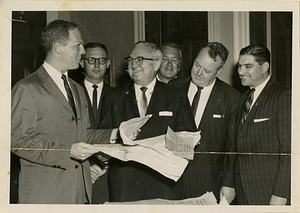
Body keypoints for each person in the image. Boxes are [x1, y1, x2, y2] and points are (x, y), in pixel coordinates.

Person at [11, 20, 115, 204]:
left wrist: (117, 133)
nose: (83, 51)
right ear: (58, 47)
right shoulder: (27, 88)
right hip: (46, 195)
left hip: (79, 192)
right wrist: (68, 151)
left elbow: (83, 134)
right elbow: (18, 141)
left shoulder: (76, 89)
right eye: (78, 45)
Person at [99, 41, 196, 202]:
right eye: (130, 60)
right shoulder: (113, 96)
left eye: (139, 59)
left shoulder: (175, 95)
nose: (133, 65)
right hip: (125, 183)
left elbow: (189, 139)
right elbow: (102, 136)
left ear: (156, 63)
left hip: (164, 183)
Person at [169, 42, 240, 203]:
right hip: (172, 177)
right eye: (197, 65)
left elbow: (232, 145)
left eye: (207, 71)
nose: (198, 73)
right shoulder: (173, 87)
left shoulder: (231, 98)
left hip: (209, 179)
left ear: (219, 72)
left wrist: (229, 184)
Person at [234, 44, 291, 205]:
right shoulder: (242, 99)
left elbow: (289, 152)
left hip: (269, 192)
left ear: (265, 67)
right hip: (243, 192)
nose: (240, 72)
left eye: (248, 66)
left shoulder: (283, 96)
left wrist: (281, 194)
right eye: (239, 66)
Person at [79, 42, 111, 204]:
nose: (97, 65)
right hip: (78, 173)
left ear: (108, 63)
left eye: (102, 60)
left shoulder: (118, 96)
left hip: (107, 174)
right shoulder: (71, 94)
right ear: (81, 62)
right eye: (91, 60)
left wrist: (100, 166)